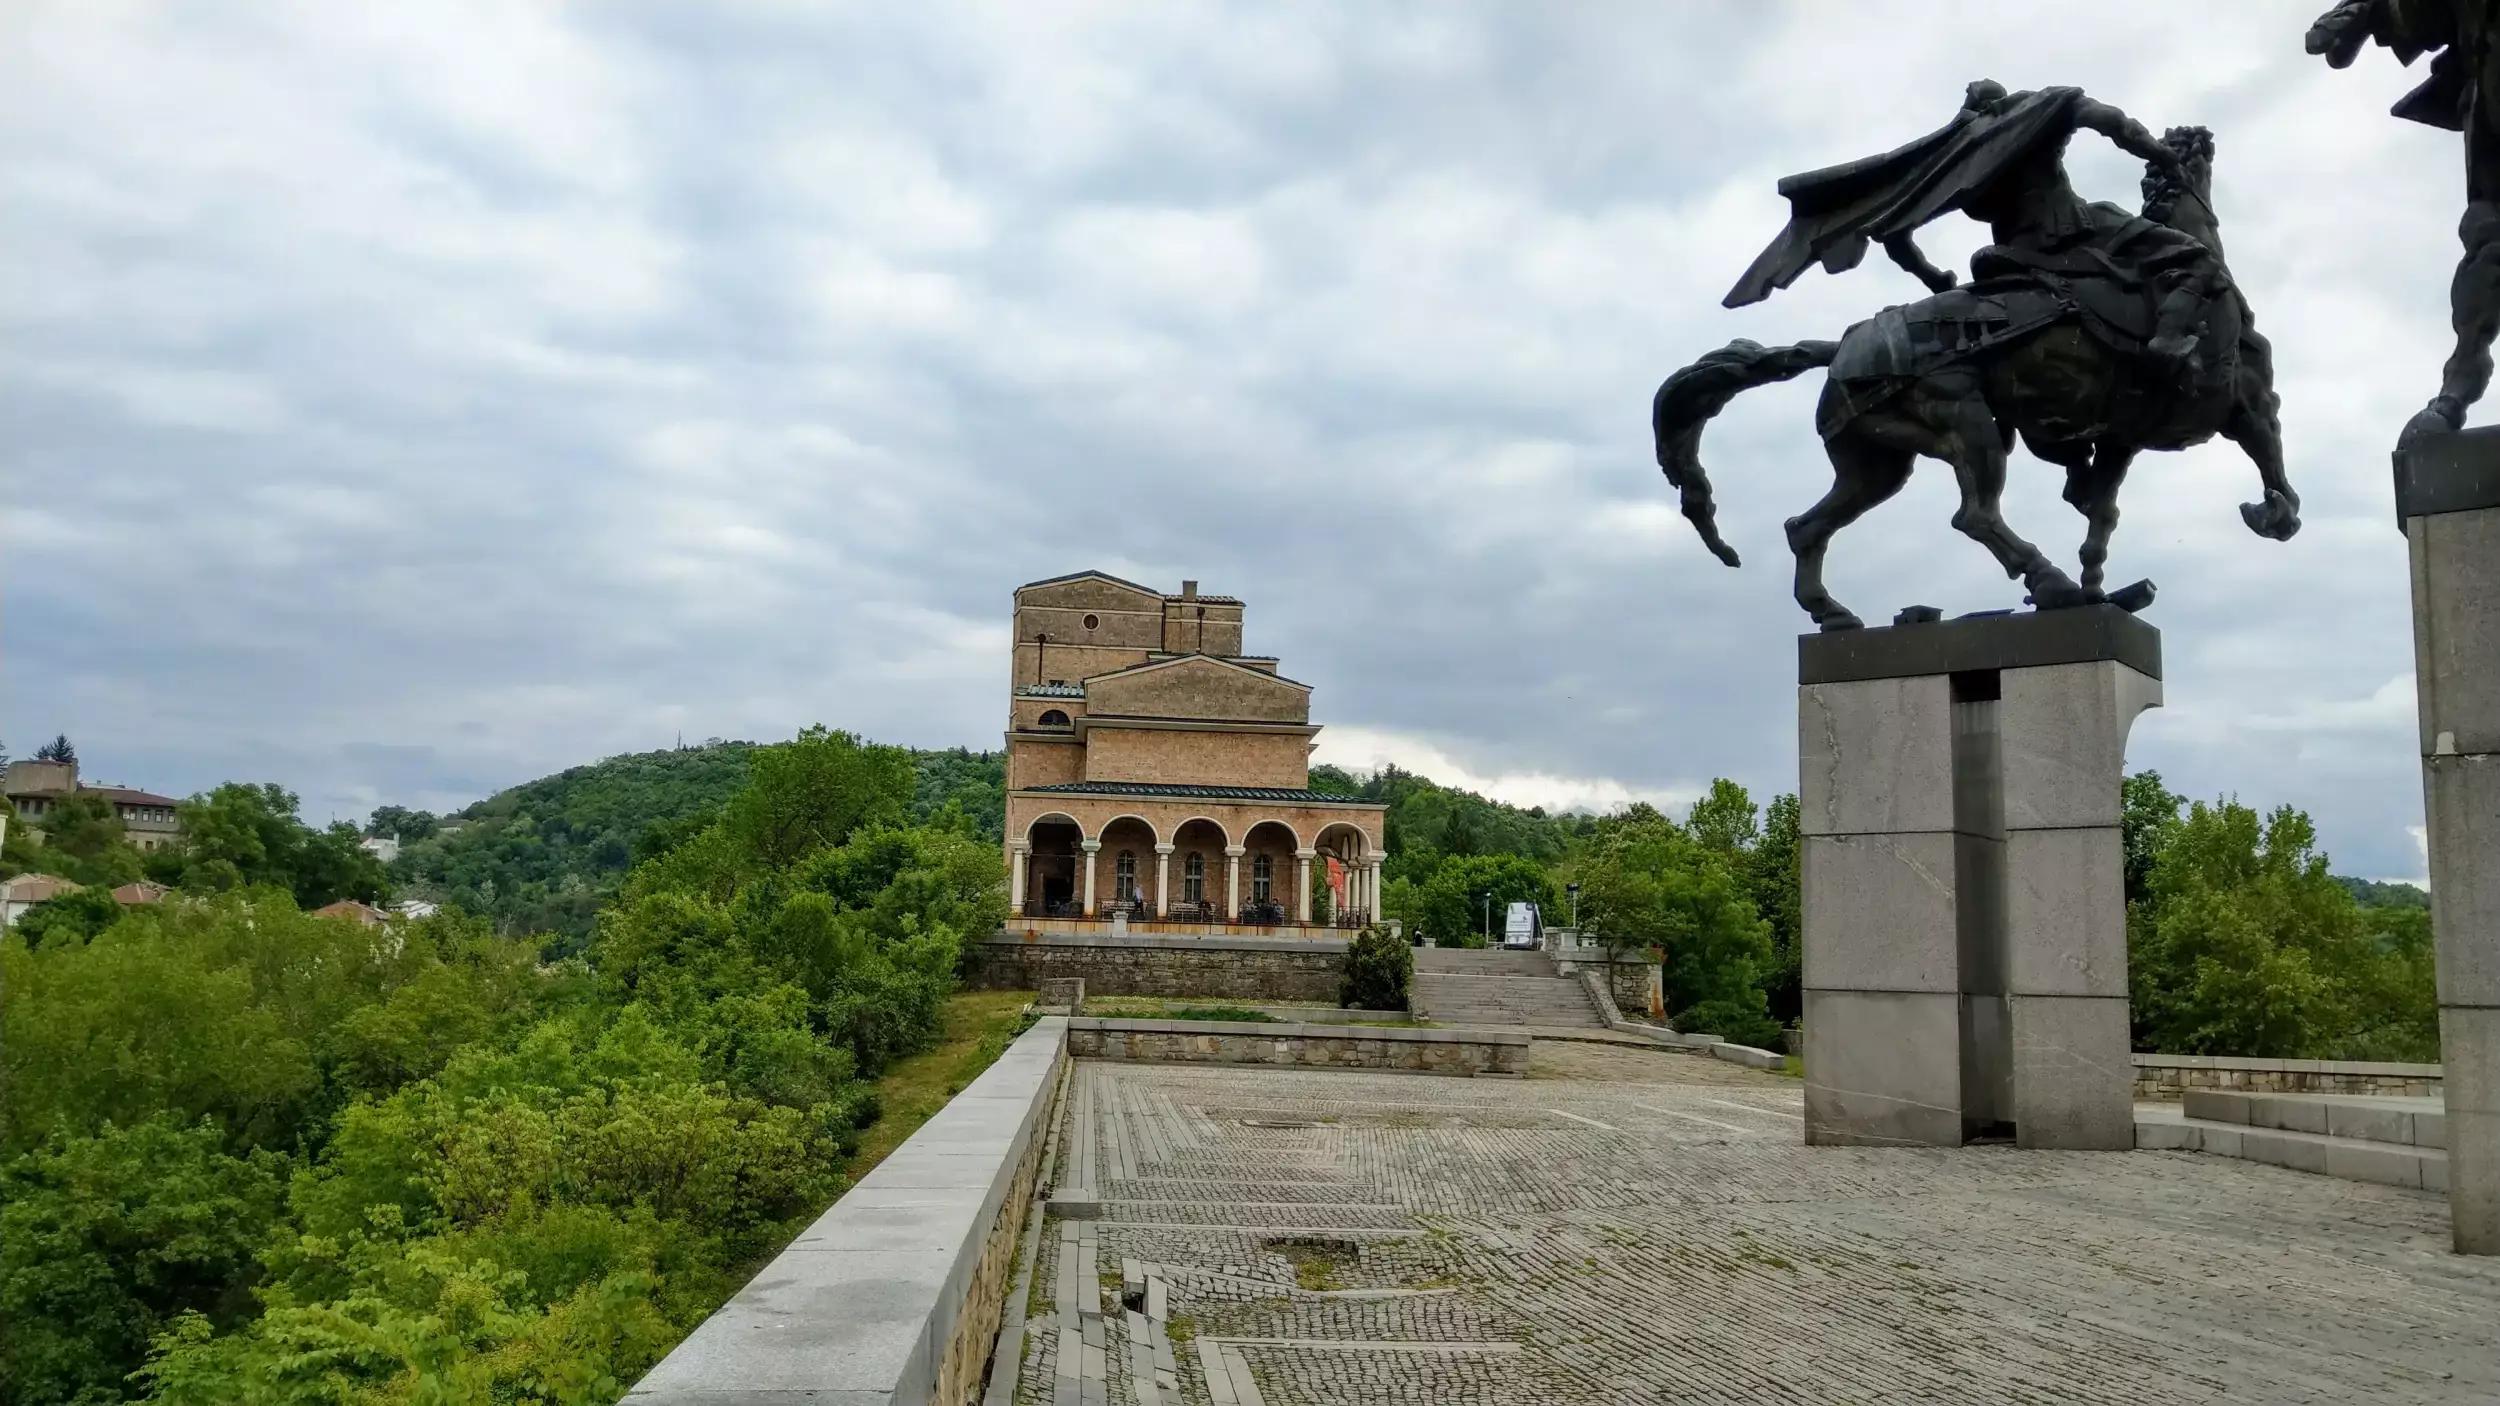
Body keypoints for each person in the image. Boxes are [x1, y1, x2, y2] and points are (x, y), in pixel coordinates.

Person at [1727, 80, 2220, 378]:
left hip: (2011, 259)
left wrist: (1935, 280)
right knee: (2192, 258)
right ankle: (2168, 340)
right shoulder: (2041, 111)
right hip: (2077, 235)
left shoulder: (1959, 159)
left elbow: (1894, 234)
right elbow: (2115, 123)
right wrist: (2161, 159)